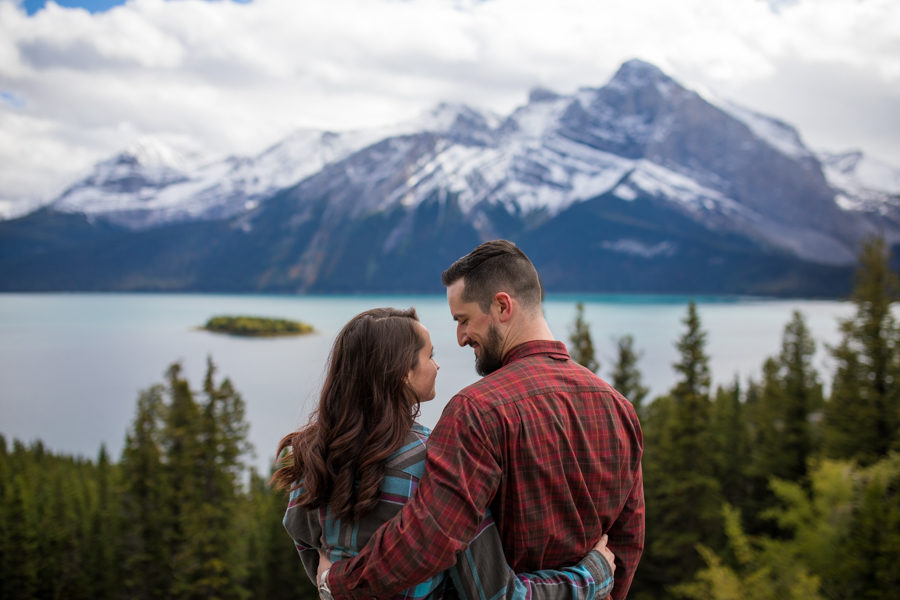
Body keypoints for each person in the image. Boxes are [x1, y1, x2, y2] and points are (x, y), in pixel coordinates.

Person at [322, 241, 645, 600]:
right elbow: (627, 543)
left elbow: (429, 539)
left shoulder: (477, 411)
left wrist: (338, 585)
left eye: (463, 320)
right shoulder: (619, 408)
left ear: (502, 306)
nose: (461, 338)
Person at [272, 307, 616, 600]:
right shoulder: (438, 462)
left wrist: (329, 584)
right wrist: (591, 576)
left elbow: (305, 541)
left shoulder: (311, 454)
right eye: (430, 355)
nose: (437, 366)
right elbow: (496, 593)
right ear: (403, 373)